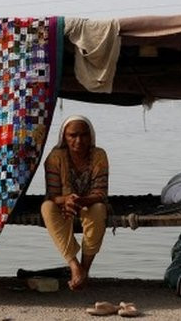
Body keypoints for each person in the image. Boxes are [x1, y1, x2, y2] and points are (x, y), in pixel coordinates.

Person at [40, 115, 109, 290]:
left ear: (90, 136)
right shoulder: (55, 157)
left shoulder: (99, 155)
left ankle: (85, 268)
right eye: (73, 135)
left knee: (99, 209)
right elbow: (52, 195)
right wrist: (66, 200)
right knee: (47, 207)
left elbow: (101, 193)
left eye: (84, 135)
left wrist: (81, 200)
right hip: (64, 204)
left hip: (90, 203)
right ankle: (74, 265)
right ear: (64, 136)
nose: (79, 140)